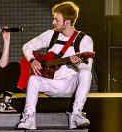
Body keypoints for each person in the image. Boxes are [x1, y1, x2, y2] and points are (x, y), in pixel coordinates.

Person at [17, 1, 93, 130]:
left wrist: (79, 63)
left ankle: (76, 114)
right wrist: (32, 60)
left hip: (71, 85)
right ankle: (29, 117)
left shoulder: (85, 40)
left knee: (85, 73)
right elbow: (27, 46)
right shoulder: (50, 35)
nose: (53, 22)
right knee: (33, 79)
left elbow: (87, 69)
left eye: (56, 20)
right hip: (52, 84)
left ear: (67, 23)